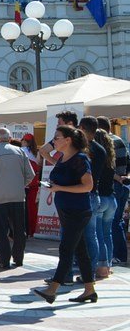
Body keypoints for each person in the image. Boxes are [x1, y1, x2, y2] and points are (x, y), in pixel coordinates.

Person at [33, 125, 98, 304]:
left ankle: (52, 289)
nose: (54, 141)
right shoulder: (62, 157)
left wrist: (60, 187)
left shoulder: (80, 159)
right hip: (67, 209)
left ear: (68, 140)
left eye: (57, 137)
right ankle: (89, 290)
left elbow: (88, 186)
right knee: (80, 250)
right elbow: (62, 175)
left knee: (66, 248)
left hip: (77, 210)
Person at [0, 127, 35, 270]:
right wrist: (19, 184)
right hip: (18, 196)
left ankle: (4, 261)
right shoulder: (20, 152)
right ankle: (18, 258)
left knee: (1, 230)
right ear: (10, 138)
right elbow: (31, 174)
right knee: (19, 229)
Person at [79, 117, 116, 280]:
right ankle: (106, 266)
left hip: (99, 197)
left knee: (95, 235)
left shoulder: (94, 153)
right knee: (106, 235)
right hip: (111, 199)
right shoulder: (108, 156)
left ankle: (99, 267)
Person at [97, 116, 129, 265]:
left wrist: (117, 178)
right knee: (116, 222)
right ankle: (119, 256)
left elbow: (107, 167)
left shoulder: (105, 142)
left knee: (109, 225)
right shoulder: (119, 140)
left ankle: (113, 257)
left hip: (112, 185)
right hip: (122, 185)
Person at [21, 133, 42, 238]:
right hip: (34, 184)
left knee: (25, 209)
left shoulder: (22, 152)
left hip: (26, 185)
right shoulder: (36, 153)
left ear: (24, 141)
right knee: (33, 208)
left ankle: (26, 230)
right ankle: (32, 230)